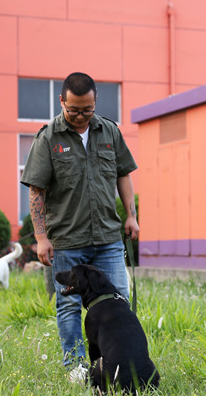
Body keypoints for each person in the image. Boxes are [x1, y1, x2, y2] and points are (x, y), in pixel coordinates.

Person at [21, 72, 139, 369]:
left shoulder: (110, 132)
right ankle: (76, 366)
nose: (80, 116)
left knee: (118, 301)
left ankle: (117, 363)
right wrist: (41, 237)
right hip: (67, 241)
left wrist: (131, 216)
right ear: (62, 101)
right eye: (73, 110)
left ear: (95, 102)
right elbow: (37, 190)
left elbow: (123, 174)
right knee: (69, 304)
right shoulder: (48, 137)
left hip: (108, 237)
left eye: (87, 110)